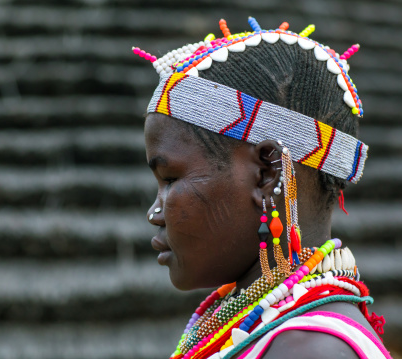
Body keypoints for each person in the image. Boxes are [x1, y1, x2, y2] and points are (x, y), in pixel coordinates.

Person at [135, 17, 391, 359]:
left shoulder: (308, 349)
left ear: (267, 173)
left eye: (170, 180)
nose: (154, 213)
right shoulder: (268, 330)